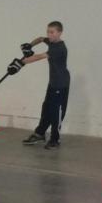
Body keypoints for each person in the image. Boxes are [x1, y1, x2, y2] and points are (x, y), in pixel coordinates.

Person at [19, 21, 70, 149]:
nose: (49, 35)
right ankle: (40, 133)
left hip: (61, 84)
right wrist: (30, 45)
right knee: (46, 108)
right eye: (48, 31)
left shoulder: (59, 48)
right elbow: (41, 39)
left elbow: (40, 56)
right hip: (53, 83)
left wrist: (21, 62)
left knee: (56, 112)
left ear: (60, 33)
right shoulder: (51, 42)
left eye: (52, 32)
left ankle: (55, 140)